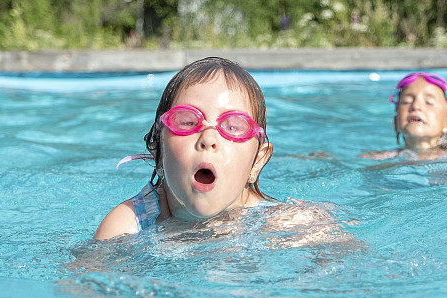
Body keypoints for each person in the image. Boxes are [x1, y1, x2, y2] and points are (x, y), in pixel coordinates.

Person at [94, 57, 344, 243]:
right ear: (158, 150)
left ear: (257, 162)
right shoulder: (129, 224)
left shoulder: (280, 223)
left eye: (233, 126)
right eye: (188, 122)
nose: (209, 138)